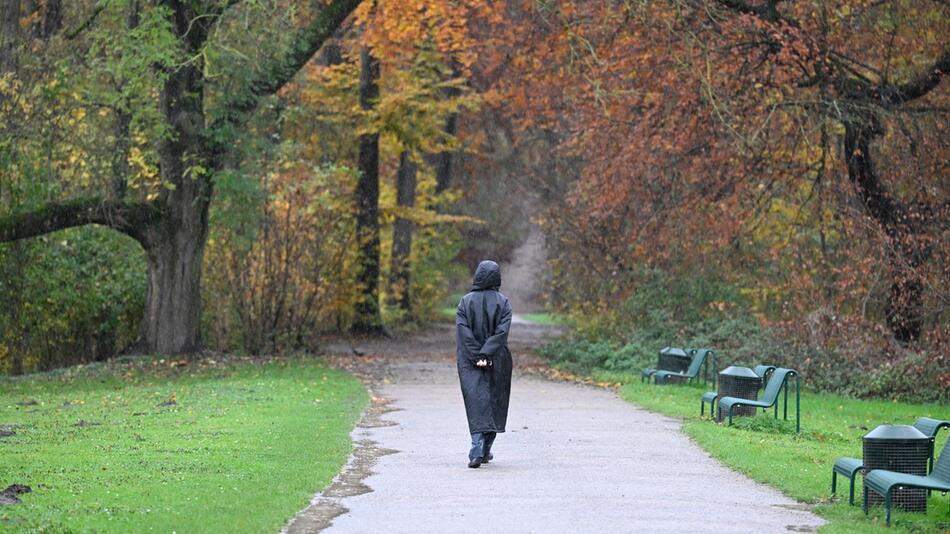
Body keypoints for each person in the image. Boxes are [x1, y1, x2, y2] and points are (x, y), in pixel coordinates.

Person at [456, 260, 513, 468]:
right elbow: (502, 333)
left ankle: (477, 447)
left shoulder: (465, 302)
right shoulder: (504, 303)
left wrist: (476, 356)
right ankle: (484, 447)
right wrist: (487, 353)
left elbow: (463, 333)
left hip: (469, 361)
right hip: (498, 358)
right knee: (495, 402)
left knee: (476, 401)